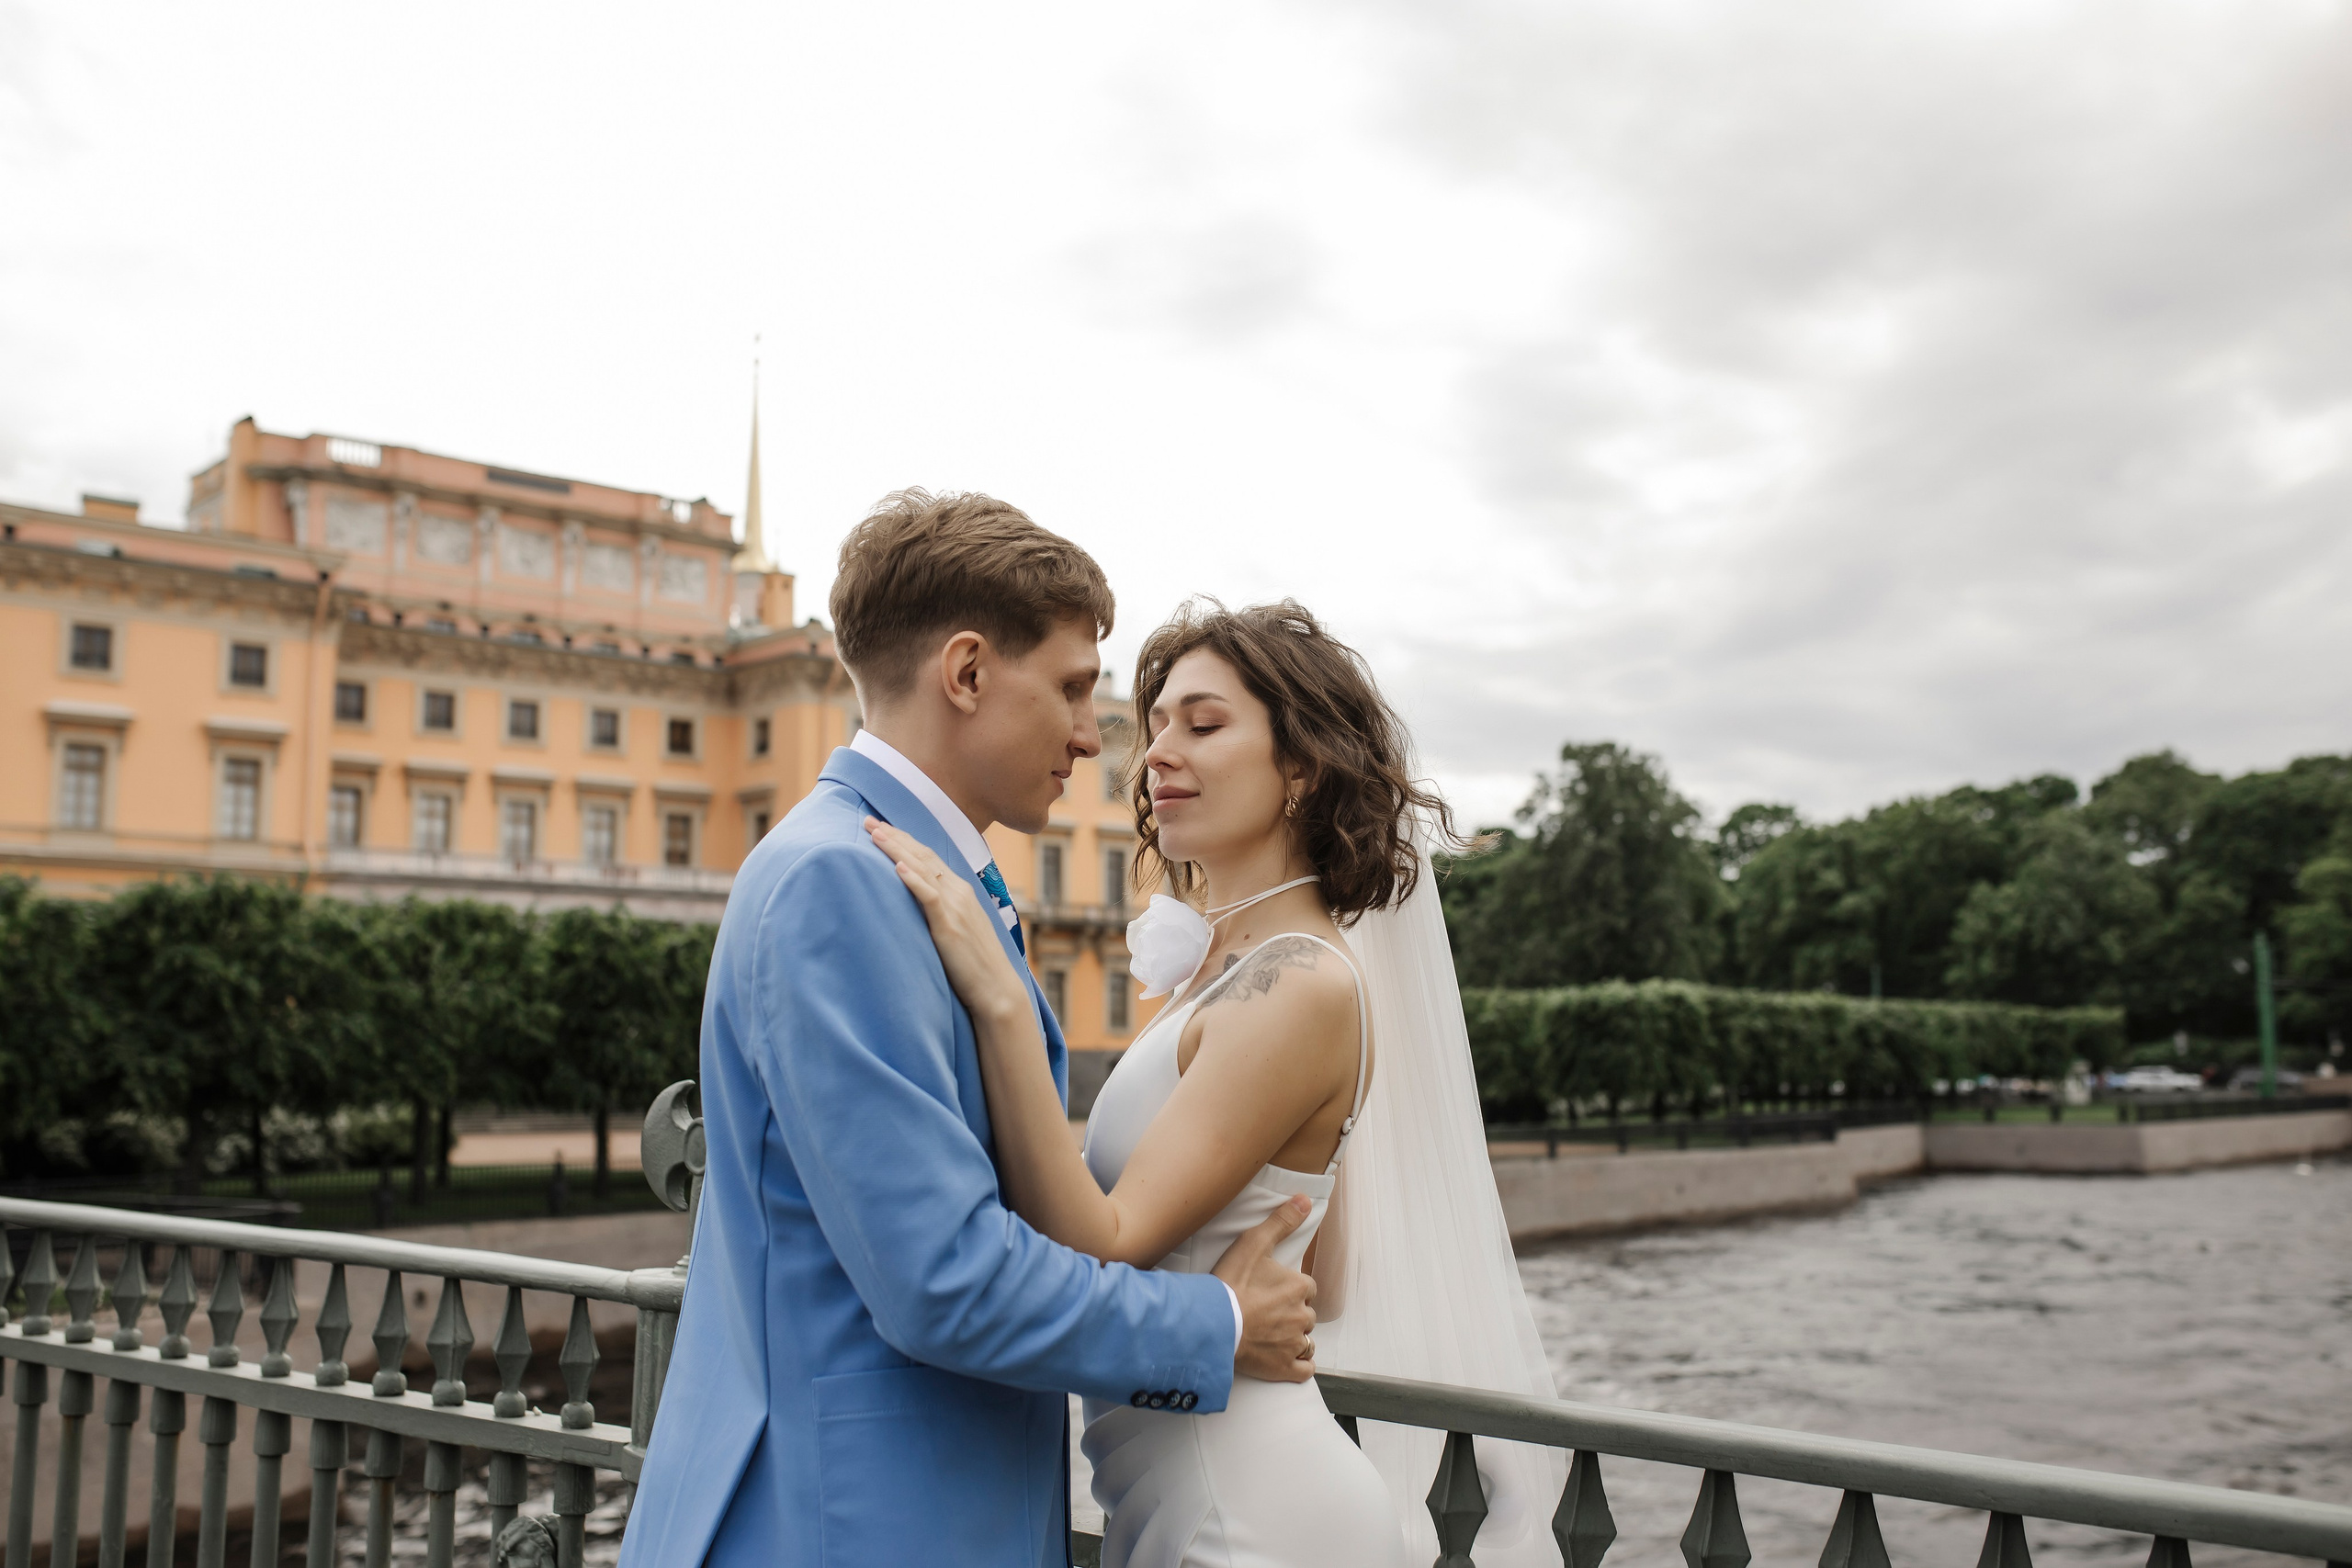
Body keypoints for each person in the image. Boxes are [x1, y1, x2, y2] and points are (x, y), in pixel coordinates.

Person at [618, 494, 1320, 1568]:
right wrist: (1216, 1324)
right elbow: (944, 1281)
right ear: (967, 673)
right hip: (850, 1528)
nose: (1092, 736)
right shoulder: (840, 882)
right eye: (1073, 688)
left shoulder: (896, 871)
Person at [868, 599, 1567, 1567]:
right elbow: (1321, 1277)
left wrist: (1000, 999)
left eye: (1201, 725)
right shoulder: (1237, 972)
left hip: (1244, 1514)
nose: (1157, 752)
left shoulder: (1298, 983)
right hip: (1195, 1488)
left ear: (1301, 769)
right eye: (1156, 725)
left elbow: (1104, 1240)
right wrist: (1228, 1296)